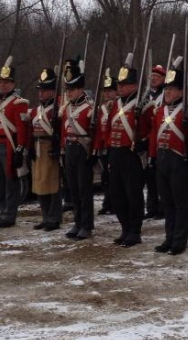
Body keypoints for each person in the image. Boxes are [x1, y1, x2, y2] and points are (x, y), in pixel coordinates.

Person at [149, 63, 188, 255]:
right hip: (163, 158)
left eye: (171, 89)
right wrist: (152, 157)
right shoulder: (161, 111)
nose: (167, 92)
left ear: (181, 90)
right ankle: (169, 237)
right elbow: (155, 134)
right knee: (167, 202)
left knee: (180, 203)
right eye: (166, 89)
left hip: (180, 160)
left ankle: (179, 240)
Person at [102, 56, 151, 247]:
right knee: (117, 194)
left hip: (131, 155)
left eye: (125, 84)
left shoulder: (143, 105)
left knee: (133, 194)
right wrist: (109, 148)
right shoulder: (115, 105)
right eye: (119, 84)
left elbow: (150, 130)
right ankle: (124, 229)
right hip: (116, 153)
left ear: (134, 85)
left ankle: (135, 231)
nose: (120, 88)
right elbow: (108, 129)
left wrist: (142, 142)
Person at [0, 59, 30, 228]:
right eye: (0, 82)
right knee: (0, 183)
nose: (2, 85)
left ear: (13, 84)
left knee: (11, 182)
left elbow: (22, 129)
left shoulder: (19, 103)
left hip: (10, 146)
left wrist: (20, 148)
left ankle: (10, 215)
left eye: (6, 82)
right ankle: (2, 211)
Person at [60, 60, 95, 240]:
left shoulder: (89, 108)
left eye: (72, 89)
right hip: (70, 149)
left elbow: (95, 134)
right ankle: (77, 221)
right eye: (67, 89)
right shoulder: (67, 108)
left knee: (84, 189)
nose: (69, 92)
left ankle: (87, 225)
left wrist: (94, 154)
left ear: (80, 89)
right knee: (73, 189)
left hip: (83, 150)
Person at [29, 68, 62, 231]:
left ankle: (54, 218)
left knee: (53, 185)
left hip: (50, 147)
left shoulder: (57, 109)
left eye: (45, 90)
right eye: (40, 90)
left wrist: (58, 147)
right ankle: (45, 216)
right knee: (40, 184)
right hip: (37, 147)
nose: (41, 94)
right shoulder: (36, 111)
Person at [142, 65, 166, 219]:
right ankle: (151, 207)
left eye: (157, 77)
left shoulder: (165, 94)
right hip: (147, 137)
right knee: (150, 176)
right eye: (152, 76)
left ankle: (162, 207)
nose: (154, 79)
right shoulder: (147, 95)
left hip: (161, 135)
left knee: (161, 176)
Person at [95, 69, 118, 216]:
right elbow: (98, 131)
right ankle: (107, 202)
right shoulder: (101, 109)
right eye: (106, 91)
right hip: (104, 147)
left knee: (114, 177)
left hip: (114, 146)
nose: (107, 94)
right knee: (105, 178)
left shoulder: (118, 107)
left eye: (110, 91)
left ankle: (115, 203)